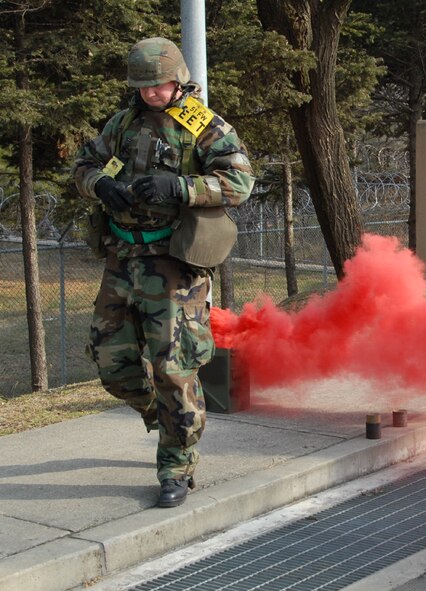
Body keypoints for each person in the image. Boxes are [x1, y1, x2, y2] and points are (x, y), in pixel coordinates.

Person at [72, 37, 254, 507]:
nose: (152, 93)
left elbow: (239, 181)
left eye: (160, 85)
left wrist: (182, 186)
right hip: (122, 258)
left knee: (174, 369)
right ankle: (166, 418)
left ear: (178, 80)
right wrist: (102, 185)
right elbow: (84, 165)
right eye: (144, 86)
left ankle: (175, 465)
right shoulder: (122, 124)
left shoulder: (201, 125)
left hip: (174, 263)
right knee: (112, 365)